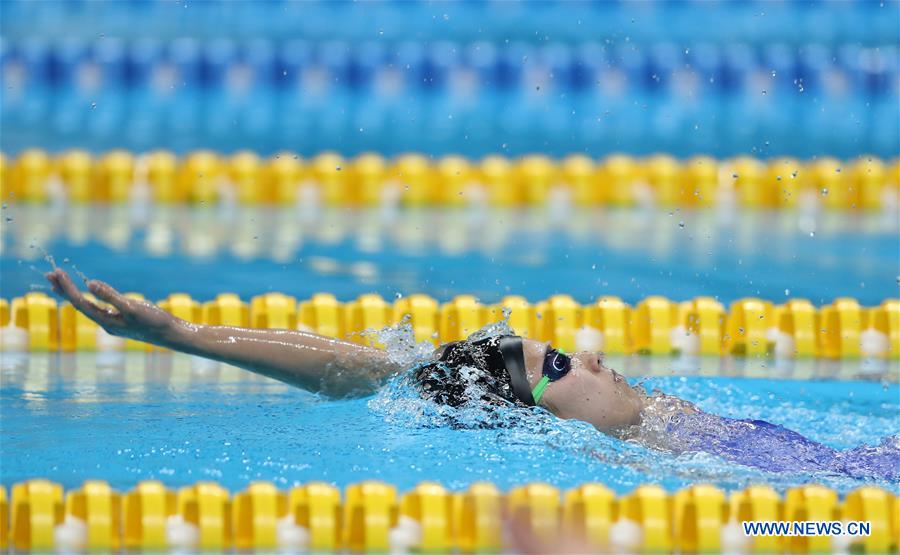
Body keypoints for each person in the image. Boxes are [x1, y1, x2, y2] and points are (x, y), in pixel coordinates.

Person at [44, 268, 899, 481]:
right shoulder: (693, 481)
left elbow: (383, 369)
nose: (593, 356)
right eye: (560, 364)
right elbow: (814, 531)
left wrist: (189, 332)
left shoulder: (677, 444)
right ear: (543, 419)